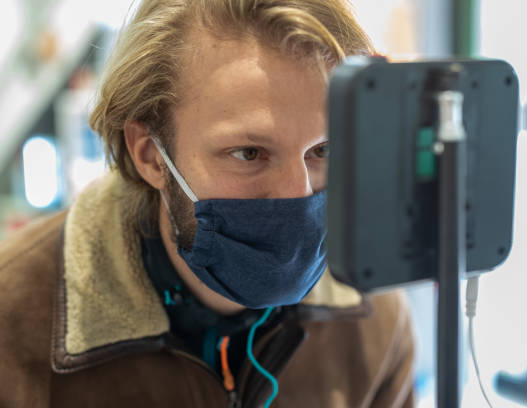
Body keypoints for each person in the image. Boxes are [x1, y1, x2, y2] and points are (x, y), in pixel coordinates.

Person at [0, 0, 415, 406]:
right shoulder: (13, 325)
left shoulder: (373, 321)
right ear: (151, 155)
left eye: (324, 150)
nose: (298, 193)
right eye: (249, 153)